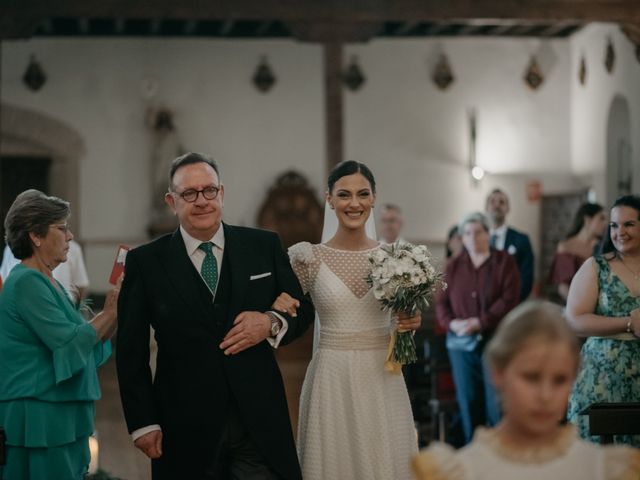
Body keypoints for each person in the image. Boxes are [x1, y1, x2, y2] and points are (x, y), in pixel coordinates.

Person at [116, 152, 314, 480]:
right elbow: (131, 351)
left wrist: (270, 322)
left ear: (221, 193)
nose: (201, 201)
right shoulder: (145, 262)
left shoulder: (263, 245)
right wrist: (143, 422)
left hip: (258, 416)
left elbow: (302, 309)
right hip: (183, 422)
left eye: (209, 190)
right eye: (189, 194)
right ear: (171, 200)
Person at [282, 161, 421, 479]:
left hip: (381, 376)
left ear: (373, 198)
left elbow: (404, 324)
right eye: (344, 195)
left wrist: (408, 321)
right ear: (329, 199)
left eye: (363, 194)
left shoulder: (397, 259)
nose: (354, 203)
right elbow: (286, 311)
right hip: (332, 377)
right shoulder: (308, 258)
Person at [413, 300, 640, 480]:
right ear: (497, 373)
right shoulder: (462, 471)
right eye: (531, 378)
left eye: (560, 380)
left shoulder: (604, 470)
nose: (545, 396)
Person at [0, 189, 118, 480]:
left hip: (54, 410)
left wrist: (117, 310)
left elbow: (85, 342)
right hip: (38, 415)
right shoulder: (27, 281)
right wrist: (112, 312)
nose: (70, 236)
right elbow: (70, 342)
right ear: (35, 236)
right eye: (62, 228)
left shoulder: (47, 281)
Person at [436, 212, 520, 445]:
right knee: (469, 402)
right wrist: (452, 323)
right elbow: (441, 303)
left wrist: (480, 322)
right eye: (467, 233)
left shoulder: (504, 261)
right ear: (462, 237)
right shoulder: (452, 266)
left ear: (488, 234)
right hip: (461, 346)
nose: (473, 237)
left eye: (478, 232)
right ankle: (474, 462)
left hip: (496, 342)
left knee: (496, 404)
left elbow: (510, 298)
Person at [566, 195, 640, 446]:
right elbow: (574, 320)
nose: (620, 232)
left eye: (629, 224)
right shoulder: (596, 267)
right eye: (614, 225)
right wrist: (628, 323)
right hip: (602, 376)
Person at [1, 239, 90, 305]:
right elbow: (4, 284)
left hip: (59, 316)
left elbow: (80, 286)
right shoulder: (11, 249)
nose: (69, 235)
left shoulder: (72, 248)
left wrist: (71, 313)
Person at [548, 202, 606, 303]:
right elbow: (563, 286)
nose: (605, 223)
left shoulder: (603, 246)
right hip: (574, 304)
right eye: (601, 218)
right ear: (587, 220)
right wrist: (579, 307)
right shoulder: (566, 246)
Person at [486, 188, 534, 301]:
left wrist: (509, 302)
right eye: (492, 201)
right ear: (486, 208)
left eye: (502, 202)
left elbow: (526, 278)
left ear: (508, 209)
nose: (496, 205)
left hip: (512, 305)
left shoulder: (522, 240)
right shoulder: (476, 239)